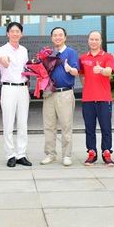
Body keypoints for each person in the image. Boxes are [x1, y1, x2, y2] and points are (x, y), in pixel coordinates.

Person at [40, 27, 79, 167]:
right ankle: (50, 154)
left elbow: (76, 71)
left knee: (66, 125)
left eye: (60, 35)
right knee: (49, 125)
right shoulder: (48, 54)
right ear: (51, 38)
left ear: (65, 37)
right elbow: (42, 73)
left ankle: (66, 155)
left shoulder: (71, 52)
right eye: (55, 35)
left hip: (65, 93)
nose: (58, 37)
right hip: (49, 93)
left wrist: (70, 69)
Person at [0, 22, 32, 168]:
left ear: (21, 34)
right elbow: (4, 62)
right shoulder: (2, 49)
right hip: (9, 88)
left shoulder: (24, 50)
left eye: (18, 31)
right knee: (8, 122)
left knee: (23, 123)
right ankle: (10, 155)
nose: (15, 34)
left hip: (23, 88)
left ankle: (21, 154)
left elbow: (26, 69)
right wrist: (5, 61)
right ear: (7, 33)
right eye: (12, 31)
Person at [79, 31, 114, 166]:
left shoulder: (108, 56)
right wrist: (88, 86)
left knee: (106, 127)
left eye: (96, 39)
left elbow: (109, 71)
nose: (94, 42)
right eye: (92, 39)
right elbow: (81, 75)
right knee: (89, 128)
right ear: (88, 41)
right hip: (88, 99)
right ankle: (91, 153)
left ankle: (106, 153)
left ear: (101, 41)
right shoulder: (83, 58)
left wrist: (101, 70)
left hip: (104, 98)